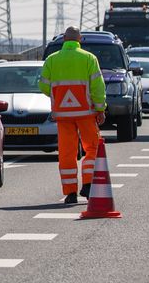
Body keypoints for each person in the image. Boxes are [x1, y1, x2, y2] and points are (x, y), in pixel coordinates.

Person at [39, 26, 107, 204]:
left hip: (63, 114)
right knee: (93, 148)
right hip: (86, 113)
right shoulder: (89, 58)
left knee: (67, 153)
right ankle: (88, 184)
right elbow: (98, 87)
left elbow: (43, 86)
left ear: (63, 40)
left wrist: (58, 96)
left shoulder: (52, 60)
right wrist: (100, 109)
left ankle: (70, 193)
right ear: (80, 40)